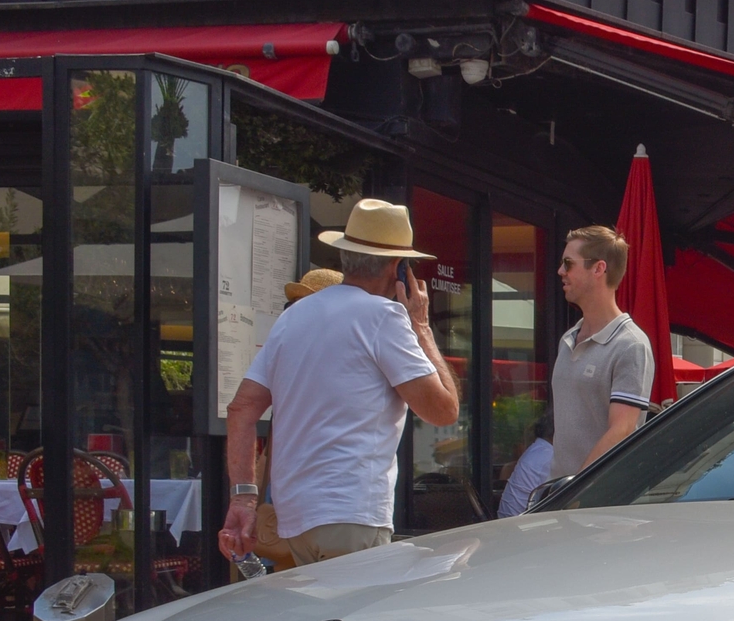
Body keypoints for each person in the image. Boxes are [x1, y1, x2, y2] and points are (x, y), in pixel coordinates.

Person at [217, 200, 459, 566]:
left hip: (295, 516)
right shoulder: (384, 316)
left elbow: (241, 408)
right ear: (398, 267)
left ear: (346, 255)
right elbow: (443, 411)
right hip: (352, 509)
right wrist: (421, 326)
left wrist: (243, 498)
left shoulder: (294, 316)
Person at [497, 224, 654, 515]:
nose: (560, 271)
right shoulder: (568, 339)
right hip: (565, 503)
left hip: (603, 508)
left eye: (568, 263)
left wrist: (573, 493)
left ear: (599, 269)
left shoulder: (631, 344)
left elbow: (622, 429)